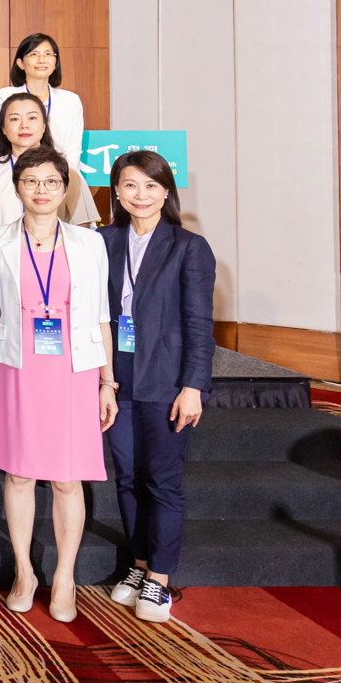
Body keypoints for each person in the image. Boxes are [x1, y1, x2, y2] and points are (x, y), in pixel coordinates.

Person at [0, 146, 115, 624]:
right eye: (31, 181)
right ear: (17, 188)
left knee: (66, 477)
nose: (41, 190)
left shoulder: (88, 243)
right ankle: (24, 571)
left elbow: (101, 316)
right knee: (18, 474)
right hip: (14, 367)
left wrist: (108, 382)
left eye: (51, 182)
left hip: (73, 370)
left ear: (65, 189)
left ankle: (64, 577)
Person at [101, 150, 215, 625]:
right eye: (130, 185)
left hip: (167, 381)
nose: (140, 195)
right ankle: (140, 564)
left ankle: (161, 579)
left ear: (166, 192)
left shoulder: (189, 247)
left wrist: (194, 386)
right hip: (116, 377)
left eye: (151, 186)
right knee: (126, 478)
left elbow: (198, 323)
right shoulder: (102, 241)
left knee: (161, 481)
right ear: (117, 193)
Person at [0, 93, 98, 228]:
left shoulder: (66, 168)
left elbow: (82, 224)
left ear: (44, 126)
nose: (24, 125)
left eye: (32, 118)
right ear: (3, 129)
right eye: (14, 119)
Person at [0, 33, 85, 164]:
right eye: (34, 54)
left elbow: (74, 148)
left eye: (48, 54)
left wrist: (64, 177)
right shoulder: (3, 96)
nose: (41, 60)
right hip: (18, 169)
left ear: (55, 63)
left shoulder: (71, 100)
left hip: (61, 172)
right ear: (20, 63)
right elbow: (4, 141)